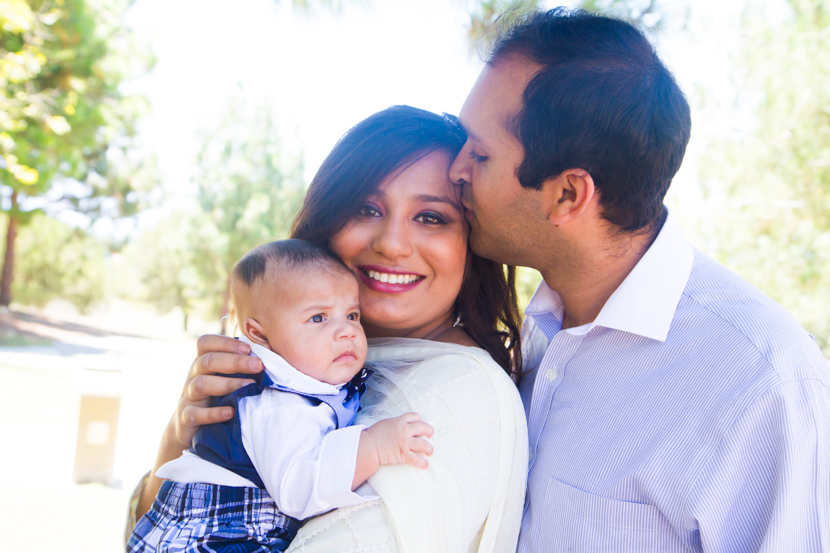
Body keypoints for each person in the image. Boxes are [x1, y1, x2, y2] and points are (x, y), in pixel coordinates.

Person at [446, 8, 829, 552]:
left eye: (479, 154)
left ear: (568, 195)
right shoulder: (530, 334)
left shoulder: (762, 382)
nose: (455, 169)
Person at [128, 106, 529, 553]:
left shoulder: (457, 393)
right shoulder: (282, 369)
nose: (392, 244)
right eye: (367, 208)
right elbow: (153, 531)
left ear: (473, 241)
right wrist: (183, 435)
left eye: (431, 217)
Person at [127, 239, 435, 552]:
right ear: (259, 334)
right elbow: (298, 491)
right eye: (318, 318)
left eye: (352, 315)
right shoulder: (277, 400)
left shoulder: (304, 381)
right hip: (218, 529)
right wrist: (374, 446)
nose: (347, 331)